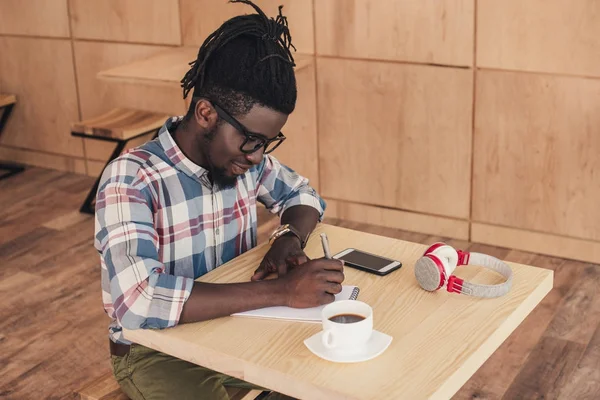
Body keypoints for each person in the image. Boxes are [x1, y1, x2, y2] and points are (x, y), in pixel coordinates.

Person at [94, 1, 344, 399]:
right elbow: (140, 302)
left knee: (335, 379)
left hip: (237, 327)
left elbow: (304, 194)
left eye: (267, 143)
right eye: (251, 140)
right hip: (155, 350)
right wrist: (282, 292)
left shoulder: (242, 162)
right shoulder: (132, 178)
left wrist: (287, 239)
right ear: (206, 113)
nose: (258, 156)